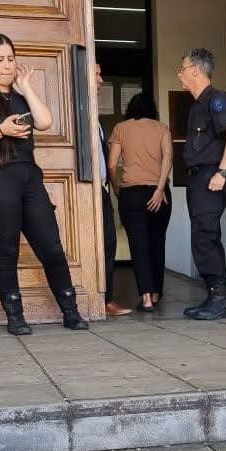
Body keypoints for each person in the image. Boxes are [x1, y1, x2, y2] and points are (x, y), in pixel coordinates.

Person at [0, 33, 89, 333]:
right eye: (0, 59)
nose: (7, 65)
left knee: (52, 248)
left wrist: (27, 87)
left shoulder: (20, 98)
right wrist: (1, 130)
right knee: (6, 252)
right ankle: (15, 317)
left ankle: (71, 312)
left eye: (11, 58)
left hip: (29, 180)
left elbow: (45, 121)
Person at [178, 48, 226, 320]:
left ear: (195, 70)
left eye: (182, 69)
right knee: (200, 235)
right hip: (197, 178)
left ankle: (219, 299)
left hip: (210, 177)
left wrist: (222, 172)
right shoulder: (197, 105)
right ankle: (212, 294)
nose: (179, 75)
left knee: (206, 235)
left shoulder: (216, 100)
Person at [108, 93, 173, 312]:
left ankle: (145, 298)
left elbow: (111, 165)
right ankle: (156, 294)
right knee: (157, 242)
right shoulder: (162, 128)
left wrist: (117, 188)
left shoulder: (121, 128)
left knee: (138, 246)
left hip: (131, 194)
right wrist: (160, 188)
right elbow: (168, 156)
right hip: (159, 194)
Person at [95, 63, 131, 316]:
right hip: (85, 190)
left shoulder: (94, 116)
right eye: (96, 73)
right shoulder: (77, 109)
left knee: (108, 242)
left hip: (101, 189)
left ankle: (105, 300)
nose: (101, 79)